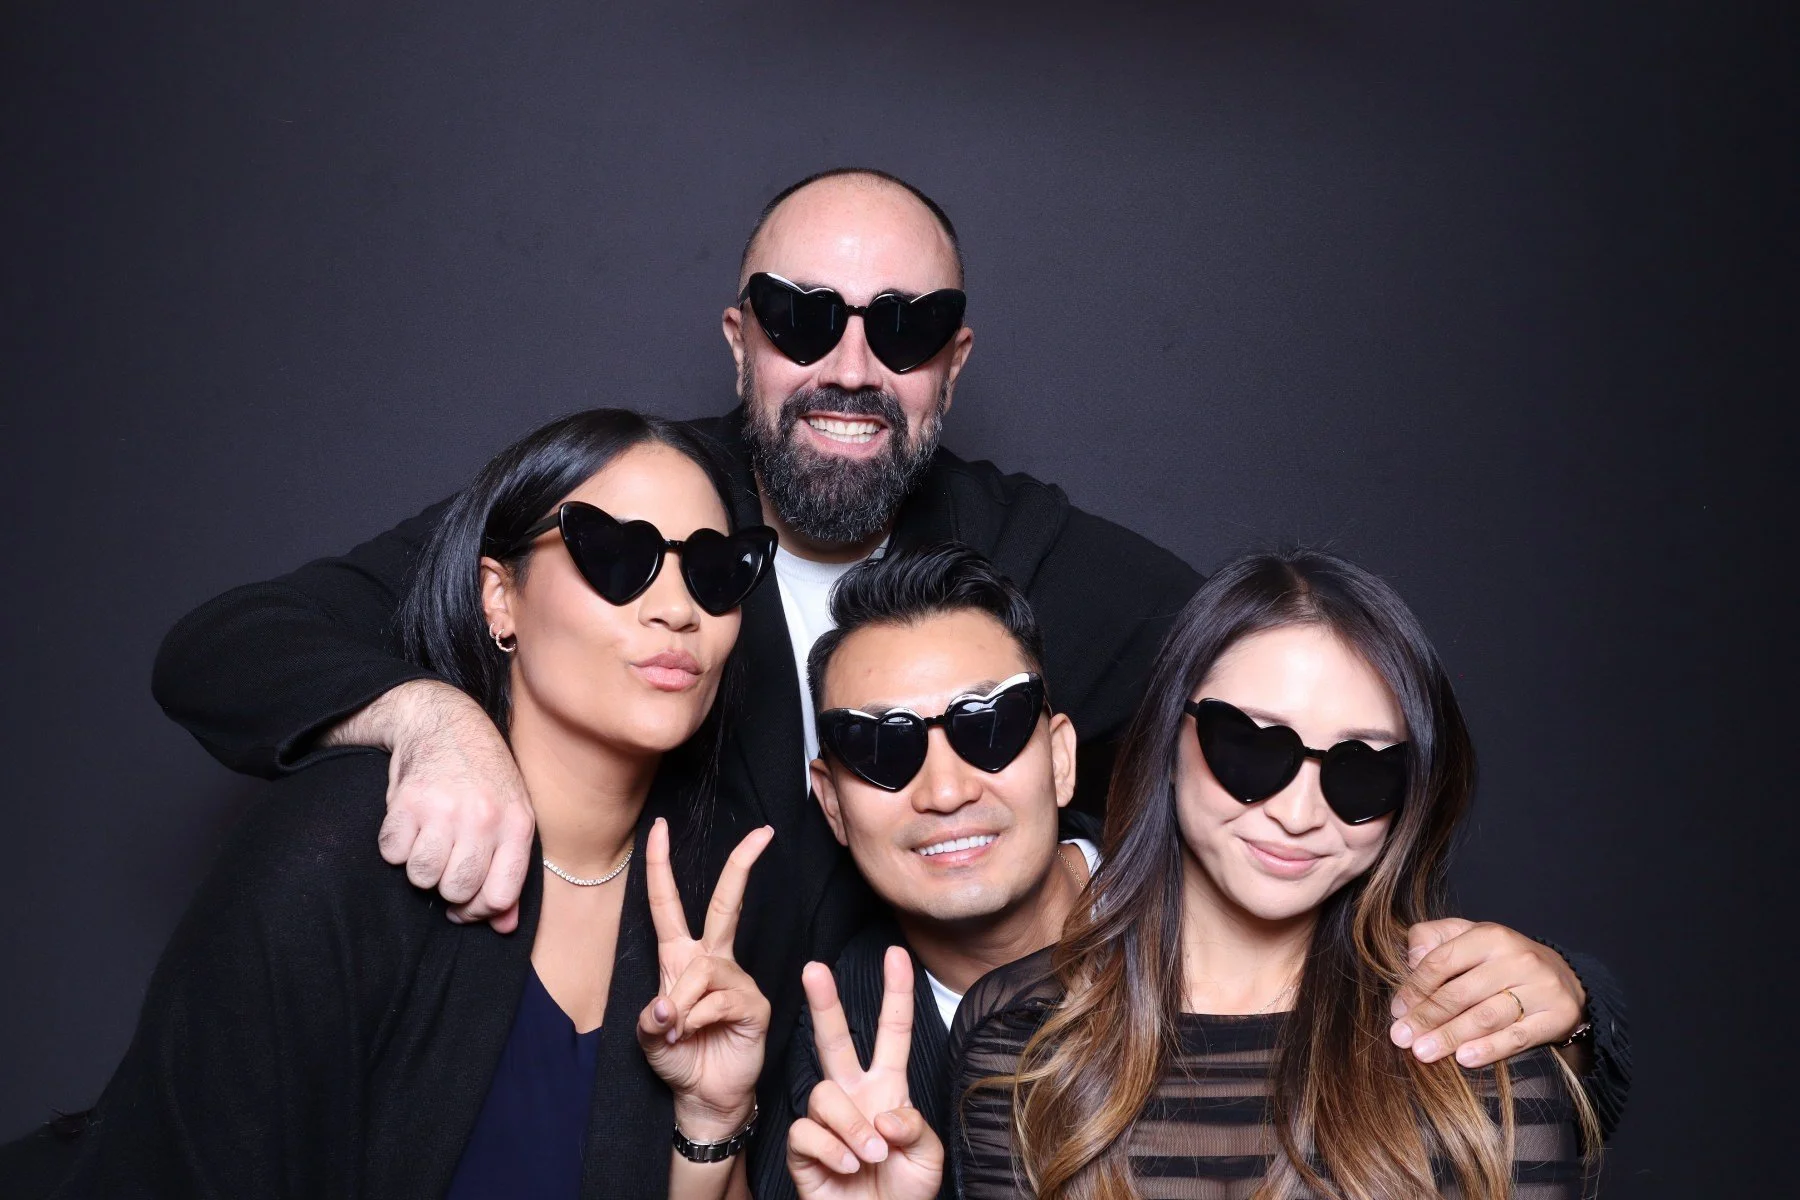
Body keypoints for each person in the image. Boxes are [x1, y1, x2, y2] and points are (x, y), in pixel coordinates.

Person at [145, 168, 1628, 1145]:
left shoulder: (1036, 564)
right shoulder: (643, 515)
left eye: (903, 327)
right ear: (740, 342)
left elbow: (1297, 735)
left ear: (953, 367)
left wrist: (1533, 980)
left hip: (950, 1099)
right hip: (659, 1099)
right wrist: (426, 716)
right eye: (805, 319)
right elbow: (231, 644)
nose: (852, 363)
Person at [49, 410, 786, 1198]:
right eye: (617, 555)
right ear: (497, 599)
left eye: (714, 571)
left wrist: (711, 1124)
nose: (677, 609)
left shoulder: (702, 900)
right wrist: (427, 713)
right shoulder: (345, 847)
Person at [948, 549, 1600, 1199]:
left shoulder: (1478, 1053)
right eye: (1255, 746)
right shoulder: (1023, 1036)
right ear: (1167, 733)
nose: (1298, 814)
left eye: (1361, 769)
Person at [755, 544, 1101, 1200]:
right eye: (883, 746)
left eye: (989, 725)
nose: (944, 791)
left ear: (1059, 760)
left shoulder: (1217, 928)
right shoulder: (832, 1050)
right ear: (832, 804)